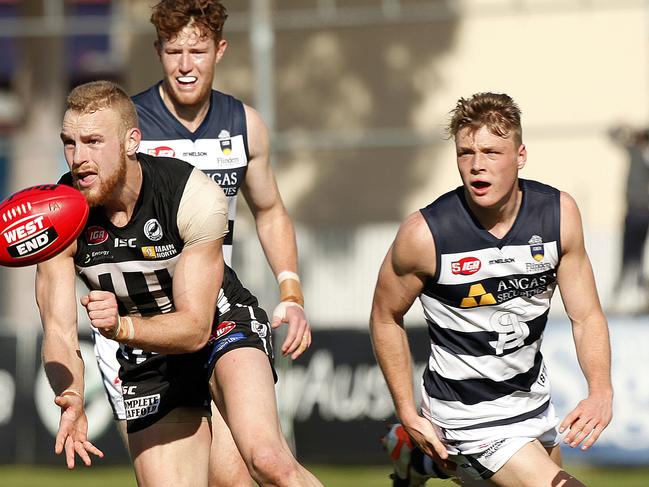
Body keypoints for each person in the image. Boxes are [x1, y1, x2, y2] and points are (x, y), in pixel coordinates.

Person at [36, 80, 322, 487]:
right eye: (70, 143)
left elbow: (194, 330)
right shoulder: (60, 217)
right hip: (144, 353)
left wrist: (121, 327)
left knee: (267, 462)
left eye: (94, 141)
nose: (79, 158)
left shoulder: (191, 195)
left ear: (131, 141)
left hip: (220, 325)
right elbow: (59, 330)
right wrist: (72, 396)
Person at [89, 2, 313, 486]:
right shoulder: (131, 130)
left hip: (214, 309)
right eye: (174, 51)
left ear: (220, 50)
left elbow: (270, 210)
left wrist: (291, 292)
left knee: (240, 475)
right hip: (142, 326)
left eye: (198, 50)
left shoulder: (244, 124)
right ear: (157, 52)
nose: (186, 65)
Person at [370, 92, 613, 486]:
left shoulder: (558, 215)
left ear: (520, 155)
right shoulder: (426, 234)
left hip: (532, 403)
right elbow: (385, 317)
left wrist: (600, 390)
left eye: (491, 152)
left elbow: (586, 315)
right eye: (466, 153)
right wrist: (408, 412)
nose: (477, 166)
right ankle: (419, 450)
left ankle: (415, 462)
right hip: (466, 414)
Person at [608, 124, 649, 314]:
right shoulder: (634, 151)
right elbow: (614, 134)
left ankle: (640, 296)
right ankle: (623, 294)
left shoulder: (640, 153)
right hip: (634, 212)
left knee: (637, 257)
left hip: (642, 213)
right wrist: (630, 129)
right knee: (629, 256)